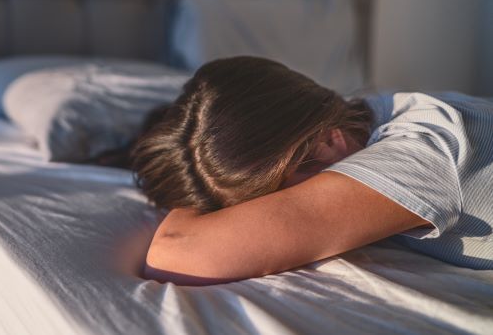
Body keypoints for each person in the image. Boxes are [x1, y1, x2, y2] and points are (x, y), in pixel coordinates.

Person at [131, 56, 493, 285]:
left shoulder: (420, 152)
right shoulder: (378, 111)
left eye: (304, 133)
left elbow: (176, 251)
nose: (328, 143)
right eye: (303, 160)